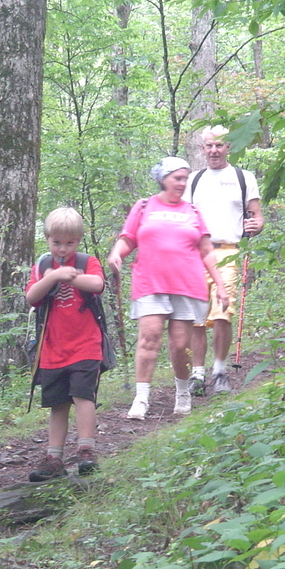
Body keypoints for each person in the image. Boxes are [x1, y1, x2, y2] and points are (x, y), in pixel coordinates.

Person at [107, 157, 228, 420]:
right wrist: (117, 254)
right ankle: (141, 398)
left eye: (185, 178)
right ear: (163, 179)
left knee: (180, 344)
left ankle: (182, 392)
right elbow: (128, 239)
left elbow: (206, 251)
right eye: (178, 178)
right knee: (149, 339)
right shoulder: (143, 207)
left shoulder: (193, 212)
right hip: (150, 282)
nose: (183, 183)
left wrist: (220, 285)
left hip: (187, 284)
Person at [24, 207, 105, 481]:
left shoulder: (87, 260)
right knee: (58, 404)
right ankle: (53, 457)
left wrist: (71, 275)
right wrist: (54, 276)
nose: (62, 248)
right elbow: (32, 297)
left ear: (78, 241)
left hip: (86, 345)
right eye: (56, 242)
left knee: (84, 396)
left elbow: (97, 284)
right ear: (47, 239)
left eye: (69, 242)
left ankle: (86, 450)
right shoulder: (43, 267)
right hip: (52, 349)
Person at [183, 125, 265, 396]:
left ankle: (219, 371)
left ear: (229, 147)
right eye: (209, 146)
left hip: (229, 250)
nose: (214, 150)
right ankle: (197, 375)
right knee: (195, 316)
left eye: (219, 145)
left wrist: (256, 225)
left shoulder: (243, 177)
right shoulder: (193, 180)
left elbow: (257, 216)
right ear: (203, 148)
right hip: (195, 253)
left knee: (222, 312)